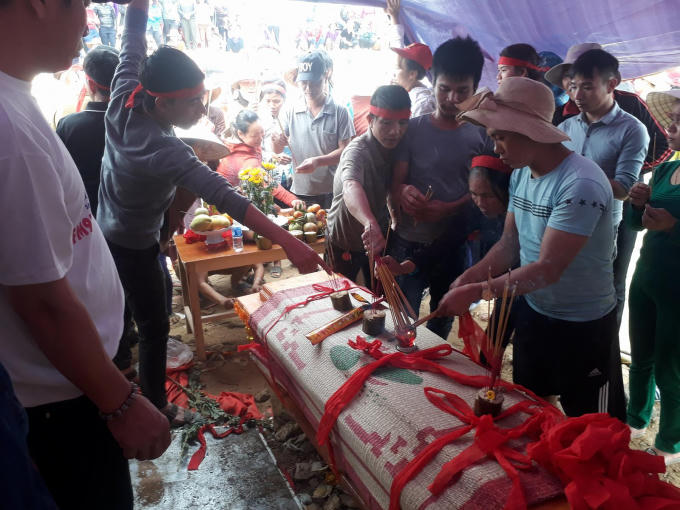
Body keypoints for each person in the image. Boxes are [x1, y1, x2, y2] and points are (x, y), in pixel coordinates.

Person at [97, 0, 326, 425]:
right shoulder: (164, 150)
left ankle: (120, 376)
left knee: (121, 314)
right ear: (161, 103)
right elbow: (228, 198)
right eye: (193, 102)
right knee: (154, 326)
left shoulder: (124, 95)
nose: (203, 110)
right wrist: (291, 244)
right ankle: (155, 406)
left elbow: (131, 41)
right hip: (132, 243)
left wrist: (138, 8)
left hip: (105, 230)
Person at [0, 0, 171, 507]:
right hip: (61, 400)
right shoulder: (9, 131)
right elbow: (41, 302)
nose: (86, 20)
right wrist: (119, 404)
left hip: (70, 384)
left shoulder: (15, 98)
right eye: (80, 4)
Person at [438, 77, 623, 420]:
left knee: (593, 424)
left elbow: (548, 268)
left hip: (583, 324)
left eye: (500, 137)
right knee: (535, 404)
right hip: (534, 310)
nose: (496, 149)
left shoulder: (580, 183)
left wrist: (480, 291)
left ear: (531, 132)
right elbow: (510, 244)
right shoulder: (522, 173)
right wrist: (471, 276)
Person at [388, 36, 493, 339]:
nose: (451, 99)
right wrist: (402, 192)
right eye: (444, 89)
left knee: (442, 315)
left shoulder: (483, 136)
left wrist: (449, 208)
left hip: (453, 243)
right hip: (409, 239)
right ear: (432, 82)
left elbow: (485, 196)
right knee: (401, 316)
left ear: (475, 89)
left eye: (462, 91)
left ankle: (434, 358)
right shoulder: (412, 129)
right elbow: (395, 183)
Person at [559, 49, 648, 330]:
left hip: (599, 231)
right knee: (560, 296)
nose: (578, 95)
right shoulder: (565, 127)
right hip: (559, 223)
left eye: (587, 87)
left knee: (594, 303)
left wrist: (572, 173)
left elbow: (622, 189)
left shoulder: (632, 130)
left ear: (612, 84)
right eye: (574, 86)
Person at [626, 89, 680, 466]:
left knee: (671, 368)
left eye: (679, 121)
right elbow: (635, 225)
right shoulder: (662, 170)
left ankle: (670, 443)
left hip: (677, 288)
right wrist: (637, 204)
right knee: (641, 356)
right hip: (646, 276)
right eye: (672, 119)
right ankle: (635, 419)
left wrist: (674, 226)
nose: (671, 127)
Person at [326, 85, 411, 283]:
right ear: (370, 120)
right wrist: (370, 223)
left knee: (378, 292)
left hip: (378, 238)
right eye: (386, 123)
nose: (395, 131)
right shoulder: (356, 151)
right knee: (341, 293)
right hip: (344, 239)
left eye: (402, 123)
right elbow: (351, 186)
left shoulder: (399, 146)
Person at [545, 42, 671, 171]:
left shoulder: (631, 103)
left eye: (584, 74)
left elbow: (663, 145)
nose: (575, 80)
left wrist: (630, 169)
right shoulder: (558, 117)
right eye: (569, 75)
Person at [384, 154, 512, 281]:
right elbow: (443, 244)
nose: (480, 203)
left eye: (488, 196)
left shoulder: (517, 217)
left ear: (505, 190)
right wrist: (402, 268)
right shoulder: (472, 210)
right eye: (474, 194)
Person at [272, 51, 355, 209]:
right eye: (304, 83)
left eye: (315, 82)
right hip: (299, 191)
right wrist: (277, 142)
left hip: (332, 191)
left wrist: (317, 161)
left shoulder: (340, 111)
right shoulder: (290, 111)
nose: (308, 88)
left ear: (326, 77)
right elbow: (277, 149)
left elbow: (346, 150)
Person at [57, 45, 120, 217]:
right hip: (131, 217)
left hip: (85, 214)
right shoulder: (141, 123)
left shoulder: (69, 126)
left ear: (91, 85)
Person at [385, 0, 435, 118]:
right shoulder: (410, 91)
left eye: (398, 68)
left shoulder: (422, 104)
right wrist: (394, 16)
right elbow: (397, 41)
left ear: (412, 74)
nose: (394, 74)